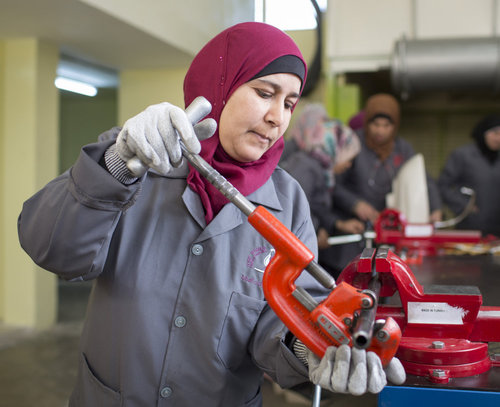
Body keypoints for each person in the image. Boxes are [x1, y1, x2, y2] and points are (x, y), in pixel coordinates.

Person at [18, 23, 404, 407]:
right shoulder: (138, 160)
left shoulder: (288, 202)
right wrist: (116, 167)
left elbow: (282, 319)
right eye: (265, 93)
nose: (277, 117)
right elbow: (52, 248)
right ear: (217, 86)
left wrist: (311, 350)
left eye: (288, 103)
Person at [331, 93, 442, 269]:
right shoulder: (352, 143)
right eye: (375, 124)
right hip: (353, 231)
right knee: (353, 278)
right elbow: (333, 184)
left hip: (388, 233)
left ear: (395, 125)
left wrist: (435, 207)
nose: (380, 131)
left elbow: (423, 178)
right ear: (367, 123)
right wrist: (355, 204)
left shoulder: (402, 149)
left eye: (386, 125)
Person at [280, 103, 364, 277]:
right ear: (333, 148)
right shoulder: (305, 166)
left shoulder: (321, 168)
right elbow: (295, 205)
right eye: (347, 158)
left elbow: (315, 205)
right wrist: (317, 230)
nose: (348, 165)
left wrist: (335, 224)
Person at [438, 114, 500, 237]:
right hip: (470, 225)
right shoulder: (463, 155)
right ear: (483, 133)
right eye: (495, 133)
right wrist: (465, 206)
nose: (499, 138)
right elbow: (443, 186)